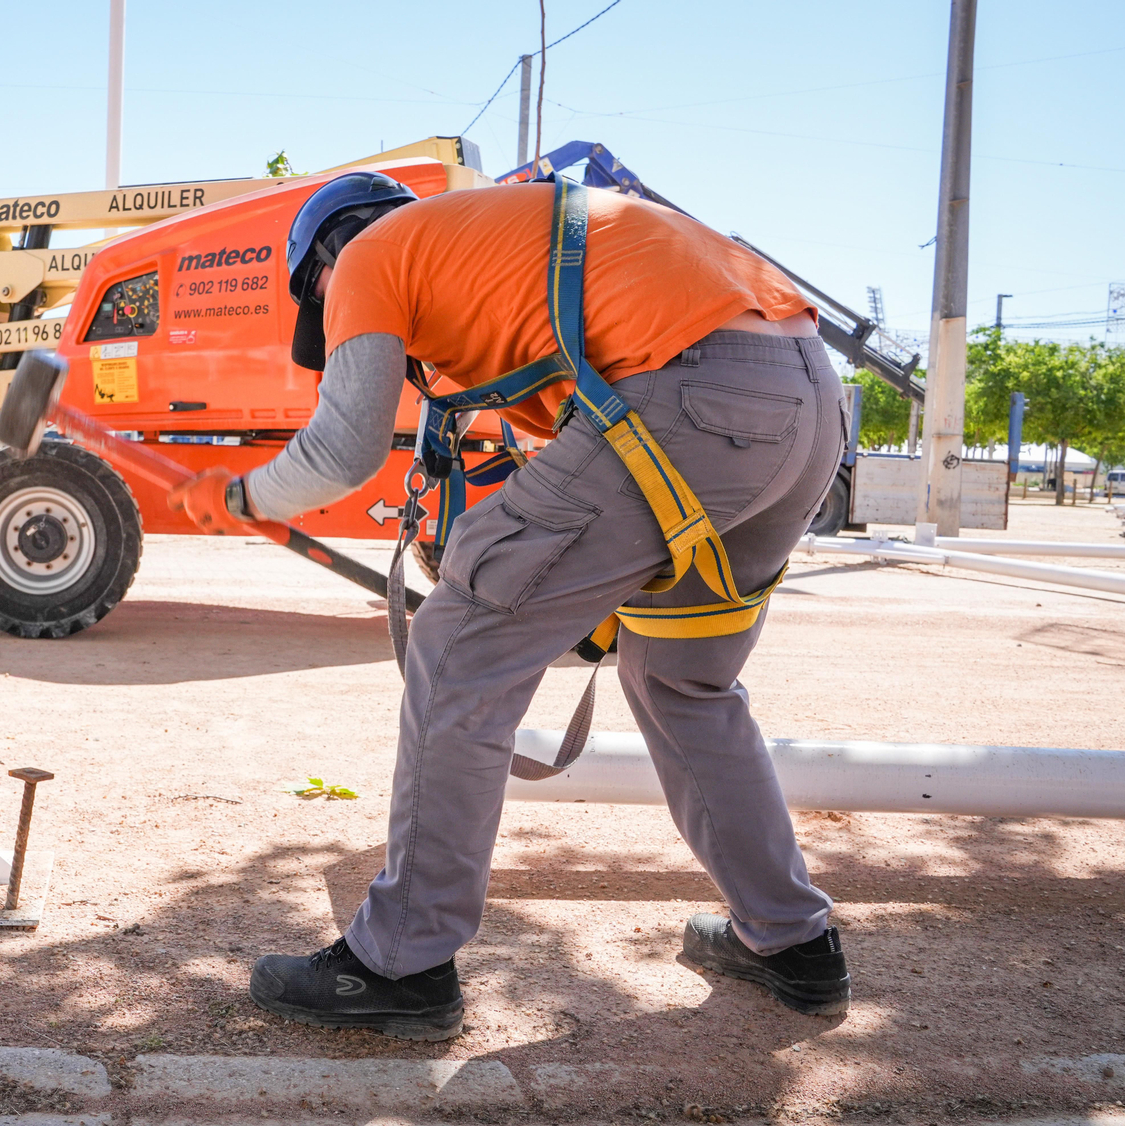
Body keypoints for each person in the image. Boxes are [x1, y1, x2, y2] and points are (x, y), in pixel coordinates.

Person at [169, 172, 852, 1040]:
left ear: (325, 265)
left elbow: (341, 449)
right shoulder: (505, 250)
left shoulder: (372, 255)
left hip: (689, 396)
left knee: (458, 649)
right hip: (809, 401)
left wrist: (238, 496)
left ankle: (401, 963)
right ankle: (794, 941)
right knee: (683, 682)